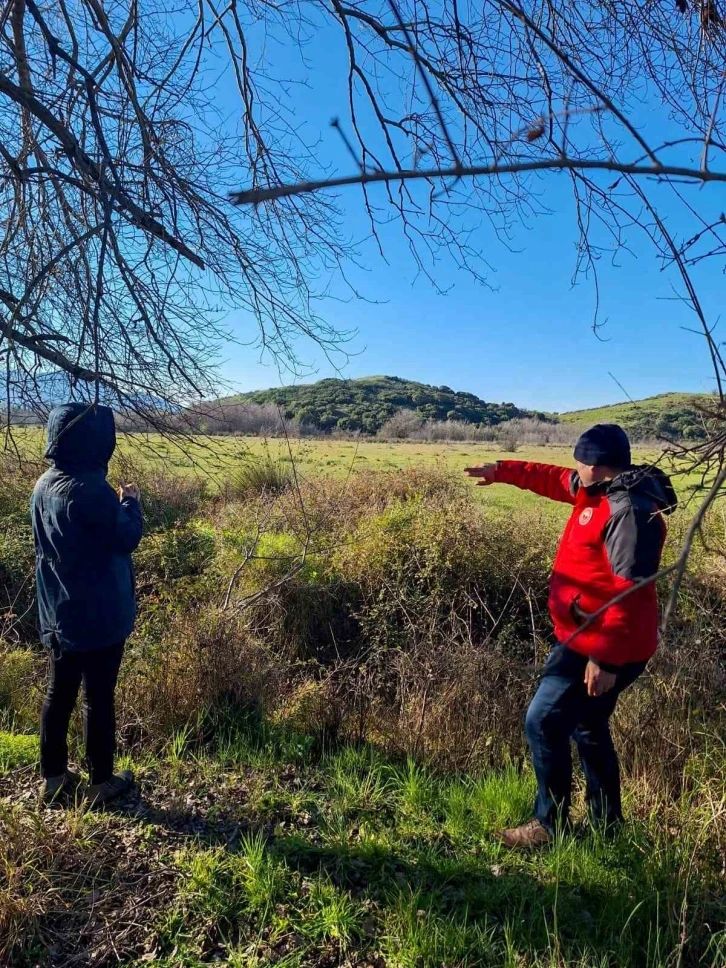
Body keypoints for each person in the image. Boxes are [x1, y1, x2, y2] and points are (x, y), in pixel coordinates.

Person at [465, 424, 676, 847]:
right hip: (586, 635)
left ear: (595, 465)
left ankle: (550, 824)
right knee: (588, 724)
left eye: (579, 460)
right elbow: (548, 477)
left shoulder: (628, 511)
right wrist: (502, 470)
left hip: (603, 644)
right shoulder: (595, 491)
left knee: (542, 720)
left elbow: (629, 593)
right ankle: (607, 826)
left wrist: (607, 660)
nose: (573, 468)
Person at [31, 403, 143, 806]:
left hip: (58, 613)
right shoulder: (91, 490)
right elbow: (126, 536)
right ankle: (100, 783)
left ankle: (54, 778)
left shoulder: (44, 484)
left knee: (58, 693)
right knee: (98, 696)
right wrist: (130, 502)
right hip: (99, 618)